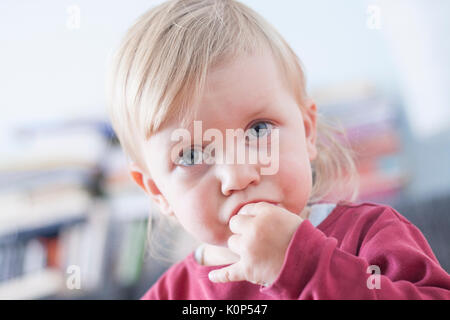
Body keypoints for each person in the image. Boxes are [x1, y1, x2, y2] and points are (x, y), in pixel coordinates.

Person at [105, 0, 450, 299]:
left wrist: (303, 265)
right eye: (192, 155)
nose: (238, 175)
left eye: (258, 129)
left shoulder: (371, 236)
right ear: (156, 192)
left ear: (306, 131)